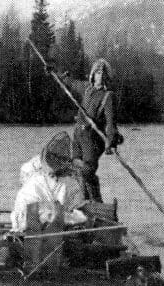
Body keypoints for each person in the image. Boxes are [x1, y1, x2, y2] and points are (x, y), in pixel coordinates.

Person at [48, 59, 123, 203]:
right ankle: (85, 205)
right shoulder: (86, 88)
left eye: (102, 73)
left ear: (107, 77)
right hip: (78, 136)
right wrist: (54, 71)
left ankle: (97, 205)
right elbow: (69, 82)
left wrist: (110, 141)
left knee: (87, 171)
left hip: (93, 141)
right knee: (76, 170)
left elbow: (110, 122)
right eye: (97, 72)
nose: (99, 76)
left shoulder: (108, 96)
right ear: (93, 74)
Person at [10, 132, 87, 232]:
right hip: (31, 223)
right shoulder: (65, 184)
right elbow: (63, 212)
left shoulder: (32, 173)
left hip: (24, 221)